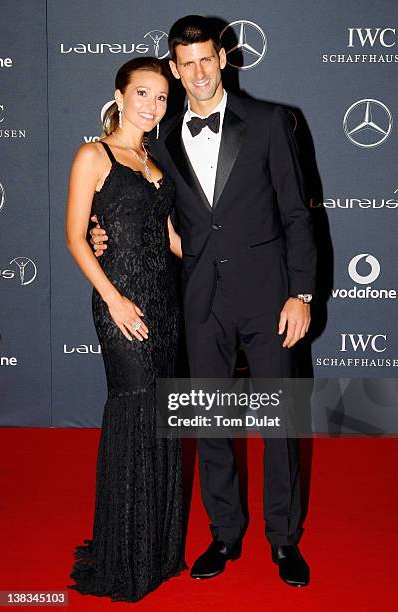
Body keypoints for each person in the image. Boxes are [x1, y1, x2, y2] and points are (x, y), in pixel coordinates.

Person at [91, 15, 317, 588]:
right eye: (185, 63)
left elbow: (296, 212)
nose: (197, 72)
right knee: (210, 423)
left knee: (278, 424)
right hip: (197, 300)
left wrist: (302, 292)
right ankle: (224, 533)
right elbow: (136, 202)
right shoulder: (160, 139)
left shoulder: (268, 122)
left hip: (269, 297)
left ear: (223, 57)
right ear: (174, 67)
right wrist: (103, 232)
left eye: (206, 59)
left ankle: (284, 539)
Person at [65, 57, 185, 603]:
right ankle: (125, 556)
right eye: (143, 93)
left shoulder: (156, 158)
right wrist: (114, 300)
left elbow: (174, 241)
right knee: (133, 411)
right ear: (119, 94)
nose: (152, 106)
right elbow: (74, 238)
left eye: (161, 97)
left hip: (165, 305)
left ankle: (156, 549)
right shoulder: (94, 154)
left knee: (160, 416)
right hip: (122, 303)